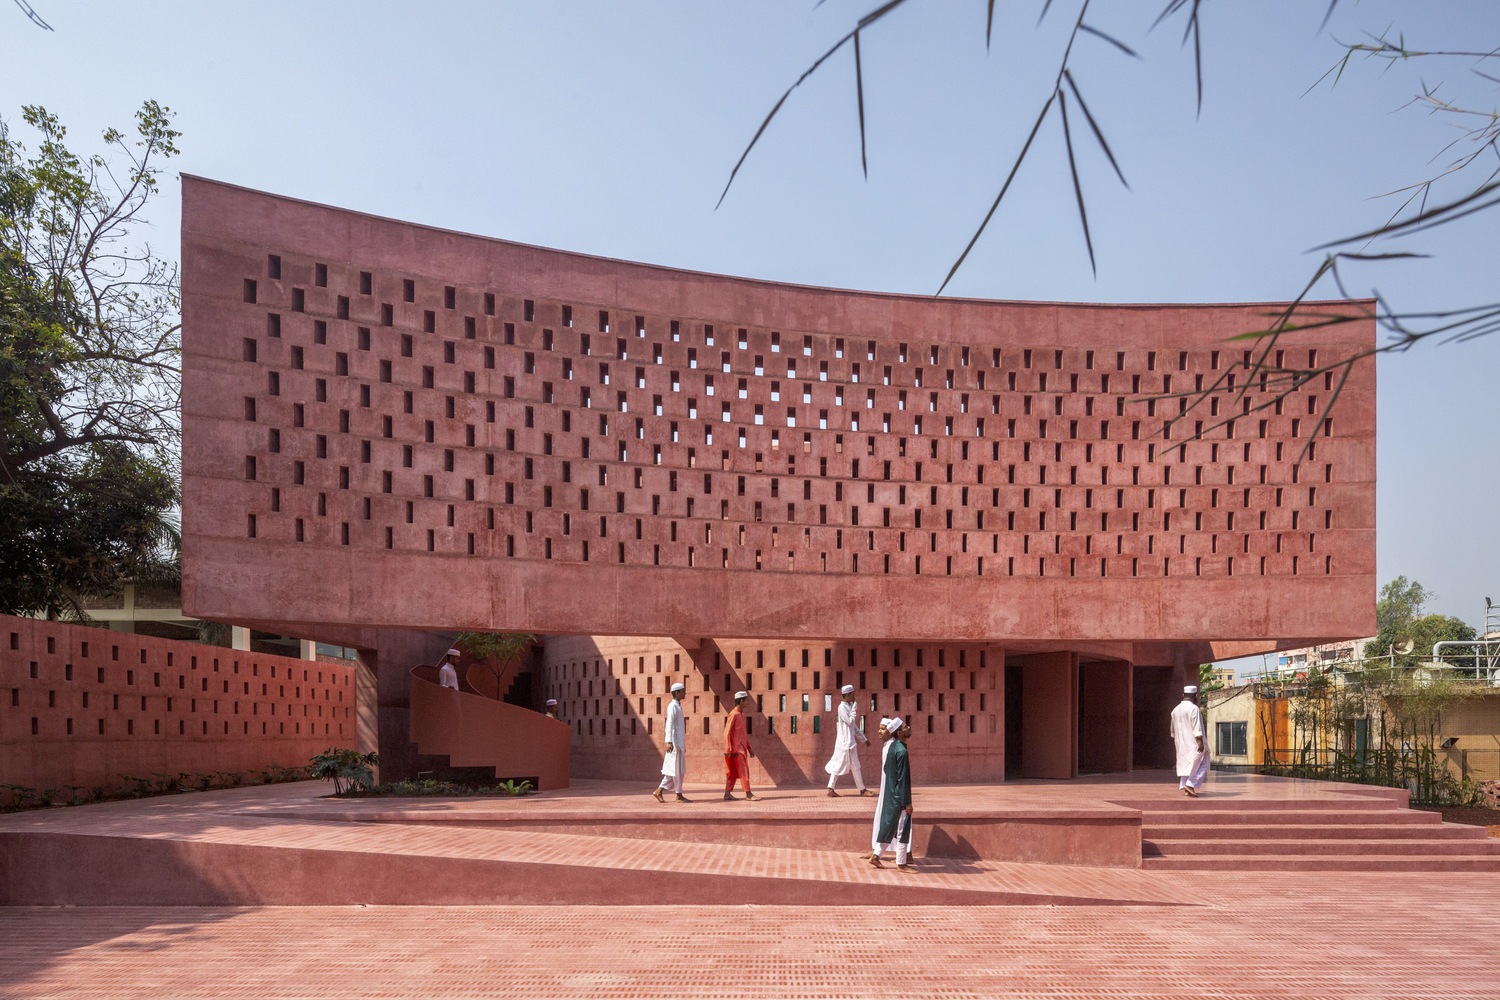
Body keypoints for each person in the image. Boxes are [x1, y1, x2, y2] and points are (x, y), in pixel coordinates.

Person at [872, 717, 914, 871]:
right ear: (899, 732)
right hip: (899, 796)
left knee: (890, 826)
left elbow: (886, 769)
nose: (908, 727)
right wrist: (907, 802)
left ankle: (876, 855)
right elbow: (903, 780)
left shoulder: (892, 747)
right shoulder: (902, 751)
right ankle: (901, 863)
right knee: (903, 828)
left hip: (891, 794)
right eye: (905, 726)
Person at [824, 684, 873, 796]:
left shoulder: (847, 707)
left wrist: (864, 739)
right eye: (853, 694)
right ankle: (862, 790)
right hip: (846, 743)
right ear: (848, 695)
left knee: (842, 764)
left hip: (848, 743)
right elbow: (850, 721)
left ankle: (831, 788)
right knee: (853, 766)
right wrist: (855, 707)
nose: (854, 696)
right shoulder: (842, 707)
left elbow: (854, 727)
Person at [653, 682, 689, 802]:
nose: (685, 693)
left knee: (676, 770)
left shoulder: (678, 705)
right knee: (675, 770)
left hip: (679, 743)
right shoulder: (672, 706)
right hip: (674, 743)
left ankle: (659, 791)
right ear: (677, 693)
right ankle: (678, 794)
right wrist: (668, 741)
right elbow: (669, 724)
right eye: (683, 691)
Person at [1171, 684, 1209, 797]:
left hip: (1180, 743)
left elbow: (1172, 731)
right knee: (1204, 763)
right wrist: (1200, 743)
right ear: (1195, 696)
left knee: (1187, 766)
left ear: (1183, 695)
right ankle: (1190, 784)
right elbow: (1197, 727)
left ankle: (1187, 788)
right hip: (1194, 743)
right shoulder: (1194, 708)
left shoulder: (1175, 710)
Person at [865, 718, 893, 862]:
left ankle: (906, 853)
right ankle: (875, 849)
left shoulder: (894, 747)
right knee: (880, 817)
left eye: (883, 728)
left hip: (891, 790)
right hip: (885, 788)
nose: (879, 731)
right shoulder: (886, 746)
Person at [723, 690, 758, 800]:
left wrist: (750, 748)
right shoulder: (733, 715)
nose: (748, 702)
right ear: (741, 700)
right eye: (747, 700)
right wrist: (728, 749)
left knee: (733, 773)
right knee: (743, 771)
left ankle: (727, 794)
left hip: (741, 748)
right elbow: (726, 733)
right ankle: (748, 794)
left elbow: (744, 734)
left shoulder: (741, 716)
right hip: (736, 750)